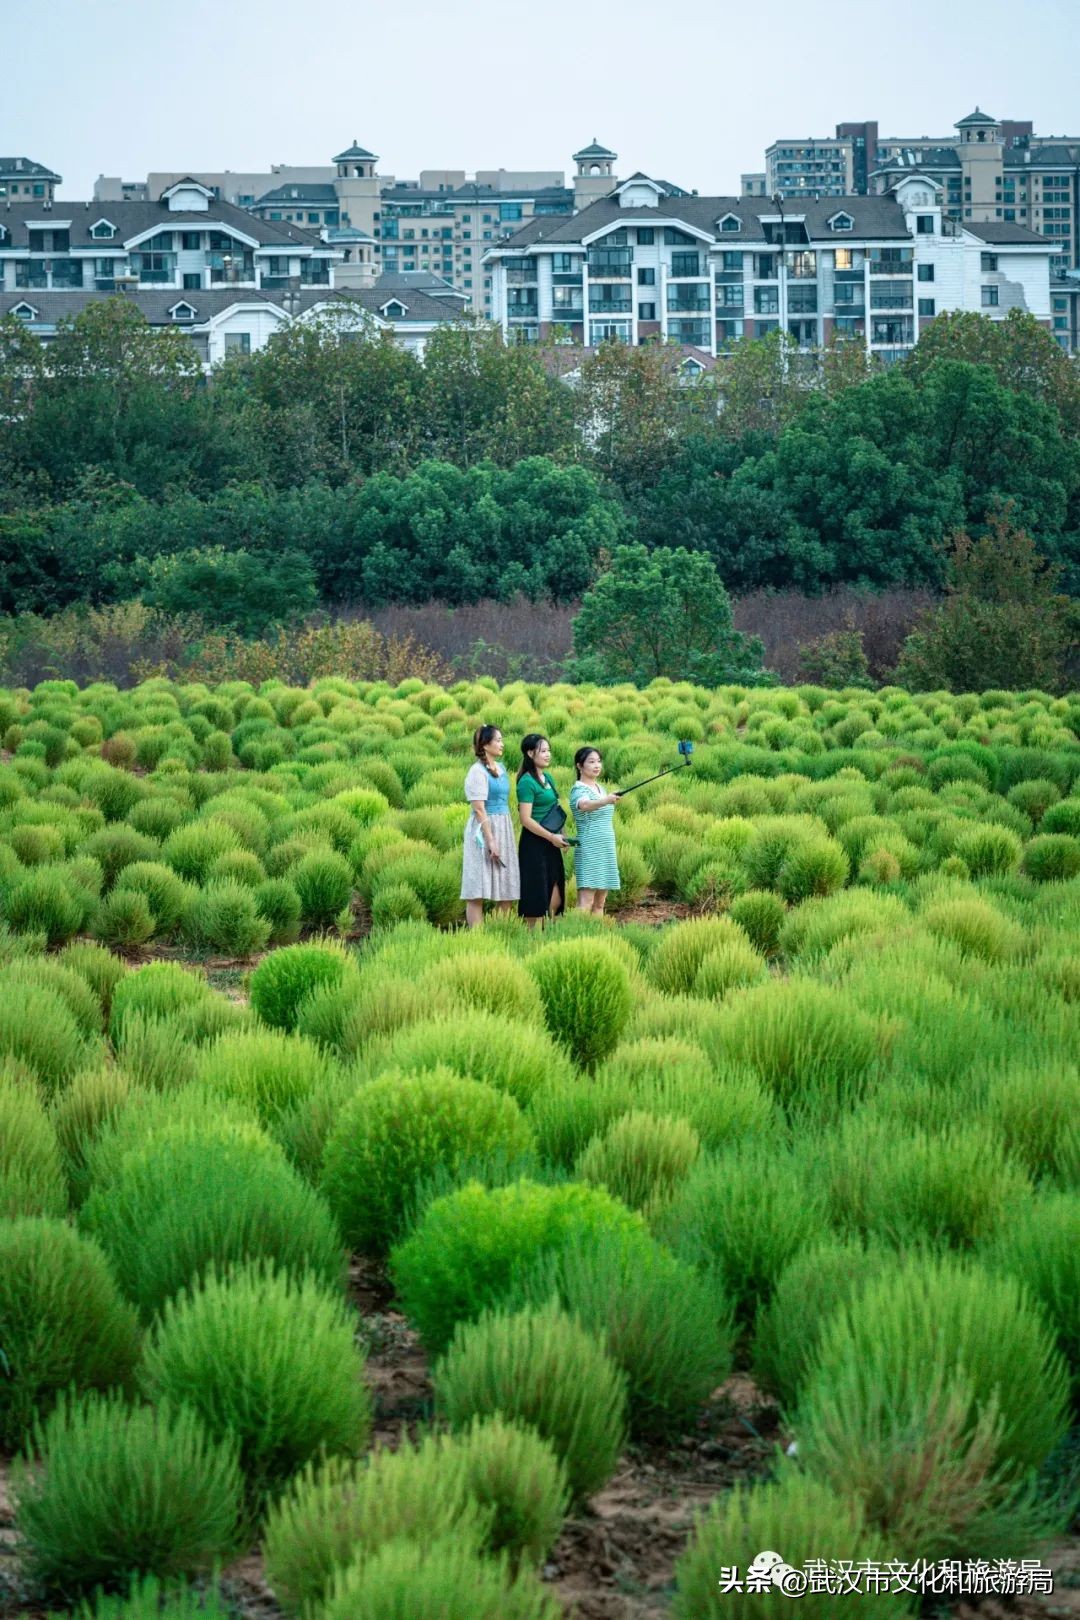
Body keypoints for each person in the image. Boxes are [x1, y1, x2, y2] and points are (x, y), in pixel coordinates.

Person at [461, 725, 519, 928]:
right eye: (498, 740)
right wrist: (490, 839)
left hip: (503, 825)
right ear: (486, 744)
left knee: (506, 886)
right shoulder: (476, 771)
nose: (502, 744)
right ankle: (478, 938)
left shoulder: (501, 767)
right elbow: (478, 808)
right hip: (484, 830)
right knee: (477, 888)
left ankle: (499, 932)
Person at [515, 733, 570, 927]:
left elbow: (554, 807)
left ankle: (550, 935)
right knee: (536, 893)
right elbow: (525, 819)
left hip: (552, 841)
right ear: (530, 753)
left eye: (549, 750)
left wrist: (562, 836)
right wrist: (551, 837)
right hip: (534, 844)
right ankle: (533, 937)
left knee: (556, 891)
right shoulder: (526, 782)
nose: (548, 754)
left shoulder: (548, 778)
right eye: (543, 751)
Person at [569, 746, 622, 916]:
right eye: (591, 762)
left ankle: (596, 937)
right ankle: (576, 938)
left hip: (606, 848)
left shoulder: (600, 788)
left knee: (600, 903)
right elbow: (584, 805)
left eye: (598, 761)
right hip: (590, 848)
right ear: (579, 766)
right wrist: (606, 800)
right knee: (586, 901)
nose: (596, 765)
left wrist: (606, 798)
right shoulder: (579, 789)